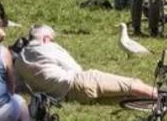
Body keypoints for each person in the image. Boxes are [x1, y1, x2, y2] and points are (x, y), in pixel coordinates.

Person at [15, 24, 156, 102]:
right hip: (79, 81)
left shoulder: (20, 59)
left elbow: (19, 86)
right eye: (52, 38)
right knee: (133, 84)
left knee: (129, 100)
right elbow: (76, 68)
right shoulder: (48, 47)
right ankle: (165, 98)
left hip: (68, 97)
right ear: (46, 38)